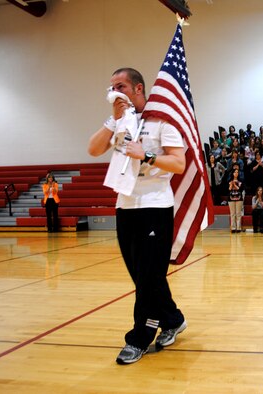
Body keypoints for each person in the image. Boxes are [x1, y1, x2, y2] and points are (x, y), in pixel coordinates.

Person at [88, 67, 187, 365]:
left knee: (147, 278)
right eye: (111, 87)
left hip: (154, 205)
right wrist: (113, 120)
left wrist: (147, 155)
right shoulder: (120, 123)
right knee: (143, 275)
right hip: (125, 205)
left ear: (138, 89)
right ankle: (173, 319)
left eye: (120, 86)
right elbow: (93, 149)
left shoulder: (162, 122)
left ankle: (139, 338)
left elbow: (179, 164)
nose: (114, 92)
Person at [228, 169, 244, 233]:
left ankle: (238, 228)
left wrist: (234, 185)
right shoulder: (229, 181)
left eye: (237, 172)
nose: (236, 173)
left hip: (239, 198)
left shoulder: (241, 181)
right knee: (232, 214)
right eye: (235, 172)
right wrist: (232, 184)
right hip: (231, 198)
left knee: (238, 213)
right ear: (232, 173)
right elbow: (229, 189)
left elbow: (240, 189)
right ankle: (233, 228)